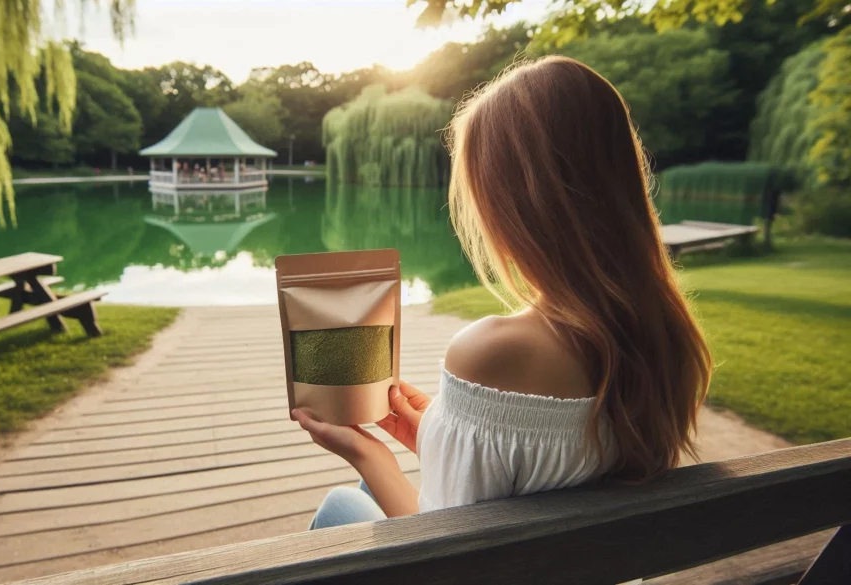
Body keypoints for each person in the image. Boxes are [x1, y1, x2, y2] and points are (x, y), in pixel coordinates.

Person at [293, 56, 713, 528]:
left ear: (514, 203)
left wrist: (368, 455)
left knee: (341, 505)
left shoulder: (495, 352)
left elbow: (452, 552)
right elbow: (556, 467)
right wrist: (438, 430)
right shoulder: (665, 335)